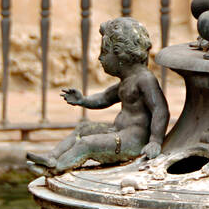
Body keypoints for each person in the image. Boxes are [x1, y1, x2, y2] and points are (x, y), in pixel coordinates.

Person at [27, 18, 169, 176]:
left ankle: (55, 168)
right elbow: (105, 98)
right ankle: (51, 157)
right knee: (83, 129)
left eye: (104, 53)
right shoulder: (127, 81)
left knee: (87, 143)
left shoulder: (145, 80)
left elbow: (160, 109)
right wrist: (83, 100)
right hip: (119, 133)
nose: (100, 59)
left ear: (120, 54)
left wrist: (155, 141)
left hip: (132, 141)